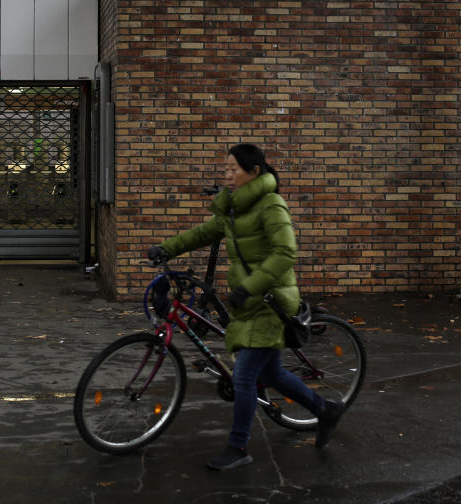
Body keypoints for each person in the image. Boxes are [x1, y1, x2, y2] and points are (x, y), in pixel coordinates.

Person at [147, 143, 345, 471]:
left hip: (271, 300)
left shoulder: (271, 205)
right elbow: (203, 233)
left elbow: (285, 253)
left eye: (233, 169)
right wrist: (166, 248)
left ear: (253, 172)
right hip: (250, 300)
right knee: (272, 373)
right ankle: (325, 411)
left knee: (245, 375)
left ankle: (239, 447)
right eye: (225, 168)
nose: (227, 174)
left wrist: (249, 288)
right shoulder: (234, 208)